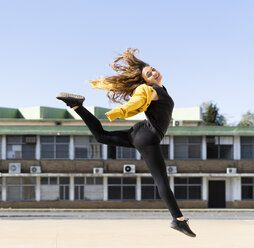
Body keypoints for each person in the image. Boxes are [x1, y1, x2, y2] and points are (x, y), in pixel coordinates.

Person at [56, 48, 196, 238]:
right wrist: (119, 112)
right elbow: (138, 99)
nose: (154, 72)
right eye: (149, 73)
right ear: (146, 80)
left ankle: (76, 105)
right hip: (148, 137)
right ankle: (178, 220)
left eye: (153, 69)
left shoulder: (159, 89)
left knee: (101, 137)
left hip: (140, 132)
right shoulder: (151, 90)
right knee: (161, 180)